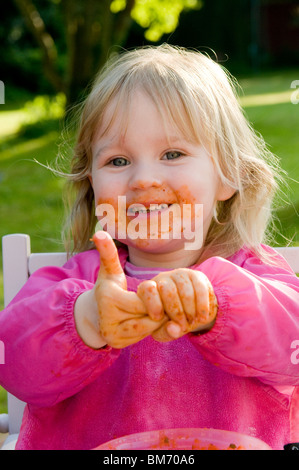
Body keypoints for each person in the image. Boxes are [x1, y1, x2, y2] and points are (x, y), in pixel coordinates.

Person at [1, 44, 299, 450]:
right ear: (92, 185)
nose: (143, 178)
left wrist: (220, 306)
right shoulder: (71, 284)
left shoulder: (258, 276)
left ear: (229, 176)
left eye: (172, 153)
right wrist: (86, 321)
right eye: (118, 161)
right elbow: (14, 365)